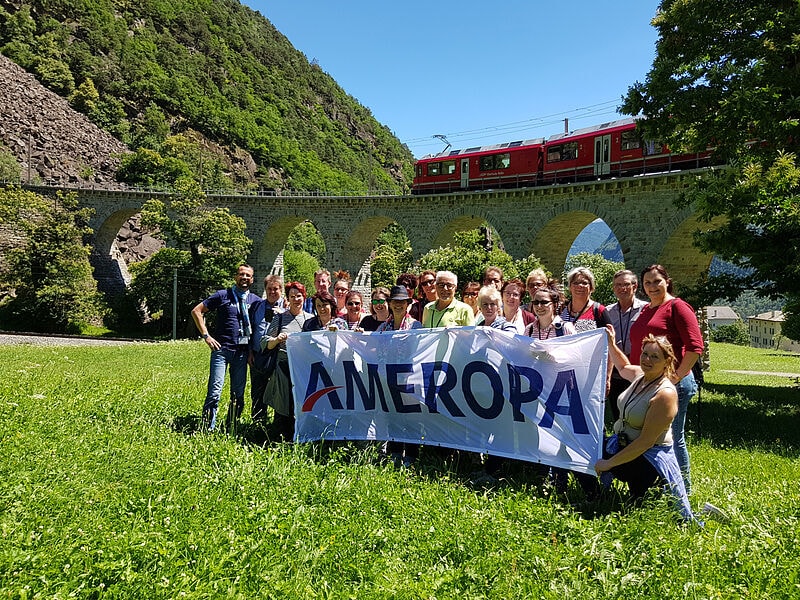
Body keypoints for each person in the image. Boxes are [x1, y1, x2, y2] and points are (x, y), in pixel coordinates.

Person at [595, 327, 693, 520]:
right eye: (645, 354)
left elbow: (646, 442)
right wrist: (611, 345)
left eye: (655, 357)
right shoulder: (641, 376)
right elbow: (622, 368)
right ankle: (595, 495)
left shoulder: (665, 394)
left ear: (667, 361)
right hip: (623, 445)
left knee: (639, 505)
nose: (647, 360)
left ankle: (653, 489)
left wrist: (608, 463)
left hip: (647, 459)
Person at [629, 264, 703, 495]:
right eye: (647, 283)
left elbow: (694, 347)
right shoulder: (647, 310)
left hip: (674, 385)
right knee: (651, 436)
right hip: (649, 382)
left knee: (673, 437)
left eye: (656, 281)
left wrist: (675, 377)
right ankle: (657, 486)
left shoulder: (677, 307)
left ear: (667, 281)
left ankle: (683, 491)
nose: (652, 286)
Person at [191, 264, 258, 431]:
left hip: (242, 353)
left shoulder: (255, 301)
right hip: (221, 350)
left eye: (248, 275)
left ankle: (231, 426)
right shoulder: (223, 295)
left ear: (252, 279)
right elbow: (197, 311)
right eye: (241, 274)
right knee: (215, 391)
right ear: (235, 277)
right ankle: (207, 429)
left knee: (238, 394)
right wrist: (206, 336)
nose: (244, 277)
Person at [377, 285, 423, 468]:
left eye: (402, 302)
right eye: (395, 302)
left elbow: (420, 352)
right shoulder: (383, 326)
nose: (398, 305)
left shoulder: (415, 326)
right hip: (389, 379)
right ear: (390, 304)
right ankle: (395, 453)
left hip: (409, 379)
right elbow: (374, 346)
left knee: (411, 418)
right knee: (393, 417)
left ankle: (411, 455)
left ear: (407, 304)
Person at [263, 281, 313, 441]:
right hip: (283, 367)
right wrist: (277, 340)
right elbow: (265, 342)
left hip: (304, 369)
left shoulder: (311, 320)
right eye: (292, 296)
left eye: (298, 296)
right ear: (288, 299)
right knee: (283, 404)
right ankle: (279, 438)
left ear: (304, 297)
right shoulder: (280, 318)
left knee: (302, 405)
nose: (296, 299)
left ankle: (300, 436)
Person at [605, 270, 648, 421]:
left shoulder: (646, 309)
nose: (622, 288)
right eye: (618, 285)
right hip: (616, 367)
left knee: (638, 412)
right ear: (613, 288)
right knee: (618, 411)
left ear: (635, 286)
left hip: (638, 366)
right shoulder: (607, 311)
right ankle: (619, 442)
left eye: (626, 284)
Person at [249, 274, 286, 422]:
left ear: (281, 290)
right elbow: (250, 331)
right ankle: (258, 422)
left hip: (280, 357)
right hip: (259, 355)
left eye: (275, 289)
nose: (272, 292)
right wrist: (250, 352)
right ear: (265, 289)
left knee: (280, 391)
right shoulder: (256, 306)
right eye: (269, 289)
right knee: (258, 390)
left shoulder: (289, 306)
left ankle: (279, 425)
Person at [560, 267, 612, 333]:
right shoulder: (561, 309)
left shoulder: (599, 310)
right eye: (575, 283)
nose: (580, 286)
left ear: (591, 287)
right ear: (570, 287)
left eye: (584, 283)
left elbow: (610, 338)